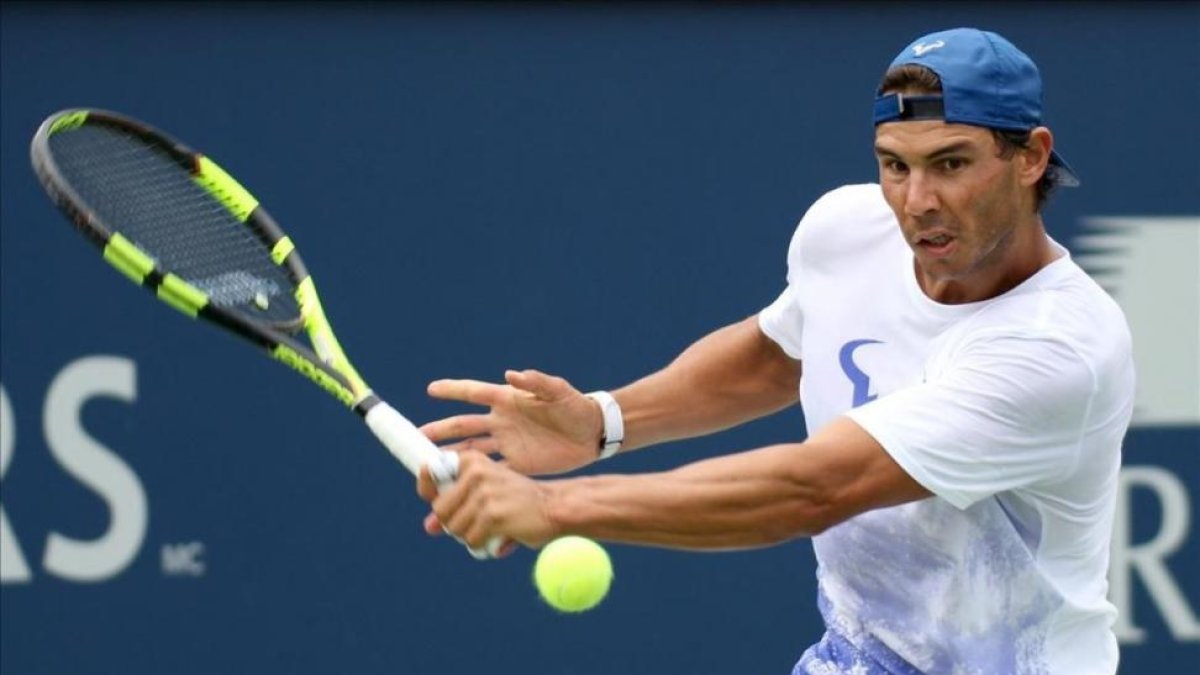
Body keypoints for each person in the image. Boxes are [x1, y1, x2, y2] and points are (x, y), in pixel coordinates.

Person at [415, 27, 1134, 675]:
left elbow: (817, 488)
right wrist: (606, 420)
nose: (916, 201)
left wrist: (554, 506)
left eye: (951, 164)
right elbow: (778, 354)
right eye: (894, 165)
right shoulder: (848, 228)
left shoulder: (1059, 347)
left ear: (1031, 158)